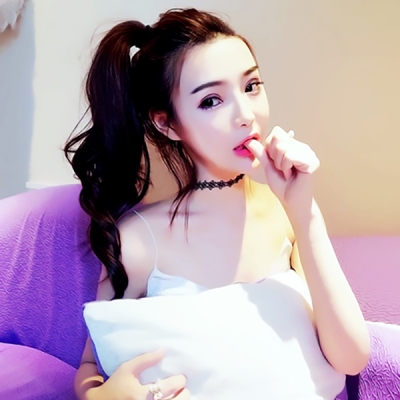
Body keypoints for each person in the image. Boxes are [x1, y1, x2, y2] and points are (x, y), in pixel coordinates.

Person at [64, 7, 370, 400]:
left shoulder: (287, 213)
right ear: (166, 123)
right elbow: (92, 366)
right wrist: (100, 396)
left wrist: (304, 211)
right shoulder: (139, 240)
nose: (246, 115)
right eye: (211, 100)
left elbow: (351, 358)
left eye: (251, 86)